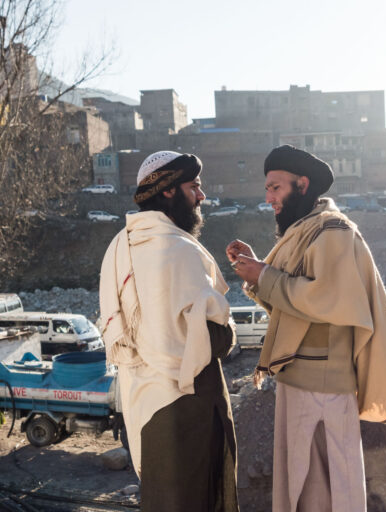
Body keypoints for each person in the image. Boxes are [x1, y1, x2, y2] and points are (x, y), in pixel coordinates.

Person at [226, 145, 386, 511]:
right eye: (267, 188)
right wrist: (259, 272)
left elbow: (325, 300)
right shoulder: (307, 231)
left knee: (333, 490)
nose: (268, 197)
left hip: (325, 387)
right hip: (299, 381)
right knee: (306, 489)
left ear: (302, 184)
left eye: (275, 187)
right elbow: (293, 305)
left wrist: (264, 275)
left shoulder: (333, 233)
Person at [99, 151, 239, 512]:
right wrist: (229, 330)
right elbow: (214, 340)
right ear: (167, 192)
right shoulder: (179, 250)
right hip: (188, 409)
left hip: (143, 407)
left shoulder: (118, 249)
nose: (202, 197)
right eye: (194, 187)